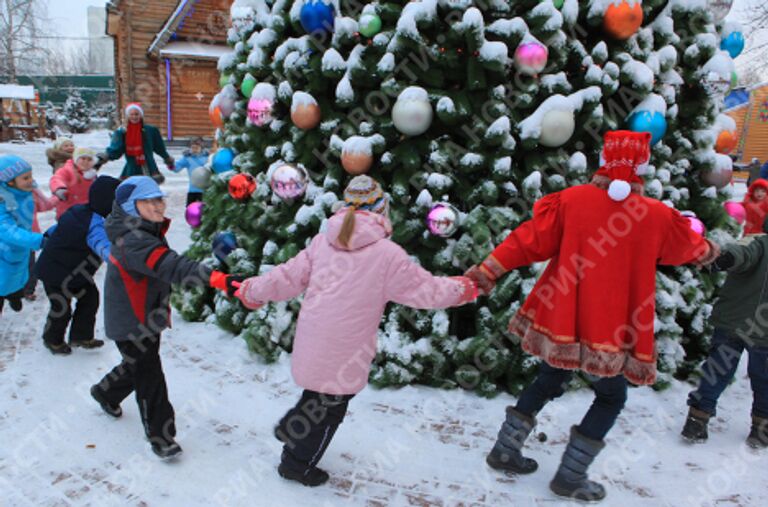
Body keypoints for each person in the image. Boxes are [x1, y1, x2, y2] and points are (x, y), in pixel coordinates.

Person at [465, 131, 718, 502]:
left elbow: (526, 241)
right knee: (611, 397)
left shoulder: (570, 201)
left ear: (604, 159)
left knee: (550, 378)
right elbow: (692, 248)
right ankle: (570, 477)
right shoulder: (657, 216)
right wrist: (713, 252)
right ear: (641, 166)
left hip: (564, 317)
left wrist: (487, 270)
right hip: (612, 328)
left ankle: (505, 449)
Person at [235, 176, 478, 487]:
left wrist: (253, 291)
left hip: (314, 338)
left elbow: (285, 276)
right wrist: (465, 288)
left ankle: (293, 426)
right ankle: (297, 465)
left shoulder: (322, 243)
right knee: (330, 411)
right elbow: (427, 290)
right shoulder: (386, 254)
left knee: (317, 393)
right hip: (346, 348)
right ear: (381, 211)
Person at [89, 176, 242, 459]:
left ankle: (105, 392)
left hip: (145, 315)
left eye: (159, 198)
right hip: (132, 322)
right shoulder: (132, 240)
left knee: (140, 365)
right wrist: (220, 279)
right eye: (149, 200)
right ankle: (161, 436)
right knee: (150, 377)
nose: (159, 204)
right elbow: (171, 265)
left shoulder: (144, 229)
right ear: (130, 207)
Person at [681, 223, 768, 449]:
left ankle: (697, 420)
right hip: (755, 329)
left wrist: (721, 259)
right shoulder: (758, 242)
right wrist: (726, 258)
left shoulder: (755, 240)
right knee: (764, 378)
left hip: (733, 322)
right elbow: (741, 253)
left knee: (718, 369)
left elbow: (740, 252)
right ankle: (761, 428)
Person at [35, 176, 120, 355]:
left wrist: (48, 239)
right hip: (55, 272)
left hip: (76, 271)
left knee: (90, 299)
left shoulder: (79, 210)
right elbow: (102, 246)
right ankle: (52, 340)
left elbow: (55, 229)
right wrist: (119, 260)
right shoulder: (95, 224)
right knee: (61, 308)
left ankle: (80, 336)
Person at [0, 155, 44, 314]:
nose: (30, 180)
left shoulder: (23, 193)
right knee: (4, 278)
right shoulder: (2, 202)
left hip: (19, 249)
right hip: (4, 250)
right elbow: (8, 231)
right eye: (25, 177)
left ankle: (15, 296)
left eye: (31, 176)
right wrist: (38, 240)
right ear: (10, 181)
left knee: (18, 277)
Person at [97, 103, 174, 183]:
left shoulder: (151, 131)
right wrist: (104, 157)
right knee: (130, 190)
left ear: (141, 115)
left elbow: (159, 148)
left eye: (136, 114)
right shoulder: (122, 133)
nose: (134, 117)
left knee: (148, 191)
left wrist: (167, 159)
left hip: (149, 167)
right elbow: (116, 150)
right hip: (131, 168)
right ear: (128, 116)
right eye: (132, 114)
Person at [24, 186, 58, 300]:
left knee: (29, 263)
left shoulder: (31, 192)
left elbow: (45, 205)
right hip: (13, 237)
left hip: (29, 236)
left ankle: (27, 290)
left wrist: (56, 196)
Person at [50, 147, 100, 220]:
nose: (86, 162)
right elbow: (57, 178)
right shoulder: (67, 170)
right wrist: (59, 188)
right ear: (76, 159)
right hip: (67, 211)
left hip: (86, 212)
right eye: (83, 159)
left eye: (89, 160)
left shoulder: (92, 175)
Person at [172, 137, 208, 206]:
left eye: (196, 148)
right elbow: (176, 168)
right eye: (192, 147)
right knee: (190, 212)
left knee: (205, 212)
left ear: (201, 148)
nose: (194, 150)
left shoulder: (207, 158)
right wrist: (170, 164)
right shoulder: (187, 158)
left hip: (205, 191)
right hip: (192, 190)